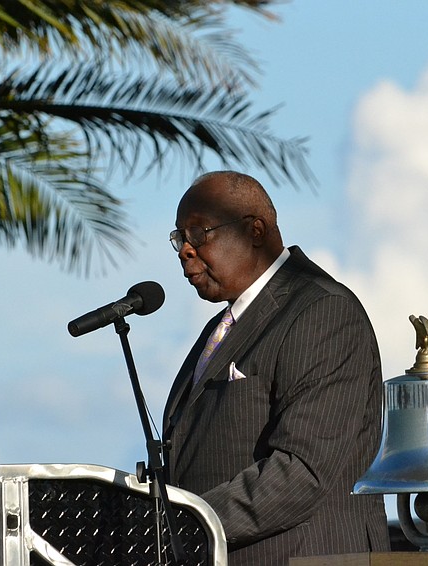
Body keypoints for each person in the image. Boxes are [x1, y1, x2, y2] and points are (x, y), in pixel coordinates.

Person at [162, 171, 390, 564]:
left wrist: (183, 522)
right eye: (179, 238)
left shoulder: (322, 311)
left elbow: (300, 472)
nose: (186, 249)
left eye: (199, 233)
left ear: (255, 230)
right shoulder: (222, 328)